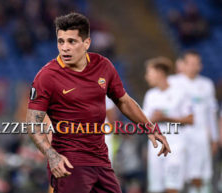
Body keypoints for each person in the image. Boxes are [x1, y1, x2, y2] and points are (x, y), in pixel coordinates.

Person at [27, 12, 171, 193]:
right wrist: (51, 155)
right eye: (60, 41)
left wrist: (149, 127)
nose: (64, 48)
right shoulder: (46, 76)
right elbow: (33, 123)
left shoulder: (103, 66)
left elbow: (123, 101)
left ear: (86, 43)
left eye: (71, 41)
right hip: (70, 163)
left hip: (101, 161)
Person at [168, 50, 219, 193]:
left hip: (200, 137)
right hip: (178, 138)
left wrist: (214, 138)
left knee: (201, 177)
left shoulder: (207, 85)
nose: (193, 67)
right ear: (182, 65)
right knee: (177, 177)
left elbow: (211, 113)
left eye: (196, 63)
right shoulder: (172, 83)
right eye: (190, 63)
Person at [143, 57, 193, 193]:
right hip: (155, 147)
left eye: (149, 73)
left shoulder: (180, 93)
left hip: (175, 146)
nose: (146, 77)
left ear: (160, 73)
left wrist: (166, 117)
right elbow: (144, 123)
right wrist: (152, 119)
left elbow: (190, 119)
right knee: (156, 188)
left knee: (172, 186)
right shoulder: (150, 95)